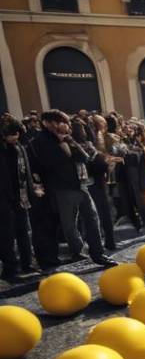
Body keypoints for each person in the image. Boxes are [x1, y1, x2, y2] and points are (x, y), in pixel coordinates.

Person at [29, 110, 115, 267]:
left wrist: (70, 142)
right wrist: (62, 143)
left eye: (65, 121)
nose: (64, 125)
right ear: (47, 123)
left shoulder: (69, 138)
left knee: (92, 219)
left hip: (81, 185)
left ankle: (98, 254)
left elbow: (84, 158)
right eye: (59, 122)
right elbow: (50, 164)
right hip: (62, 188)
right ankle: (78, 251)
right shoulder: (40, 141)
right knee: (69, 224)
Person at [0, 120, 39, 281]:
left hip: (21, 197)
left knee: (24, 232)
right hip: (4, 200)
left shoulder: (20, 147)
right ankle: (10, 270)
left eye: (17, 134)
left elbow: (26, 172)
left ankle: (27, 264)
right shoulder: (3, 150)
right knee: (7, 236)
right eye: (12, 134)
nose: (15, 137)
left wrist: (32, 189)